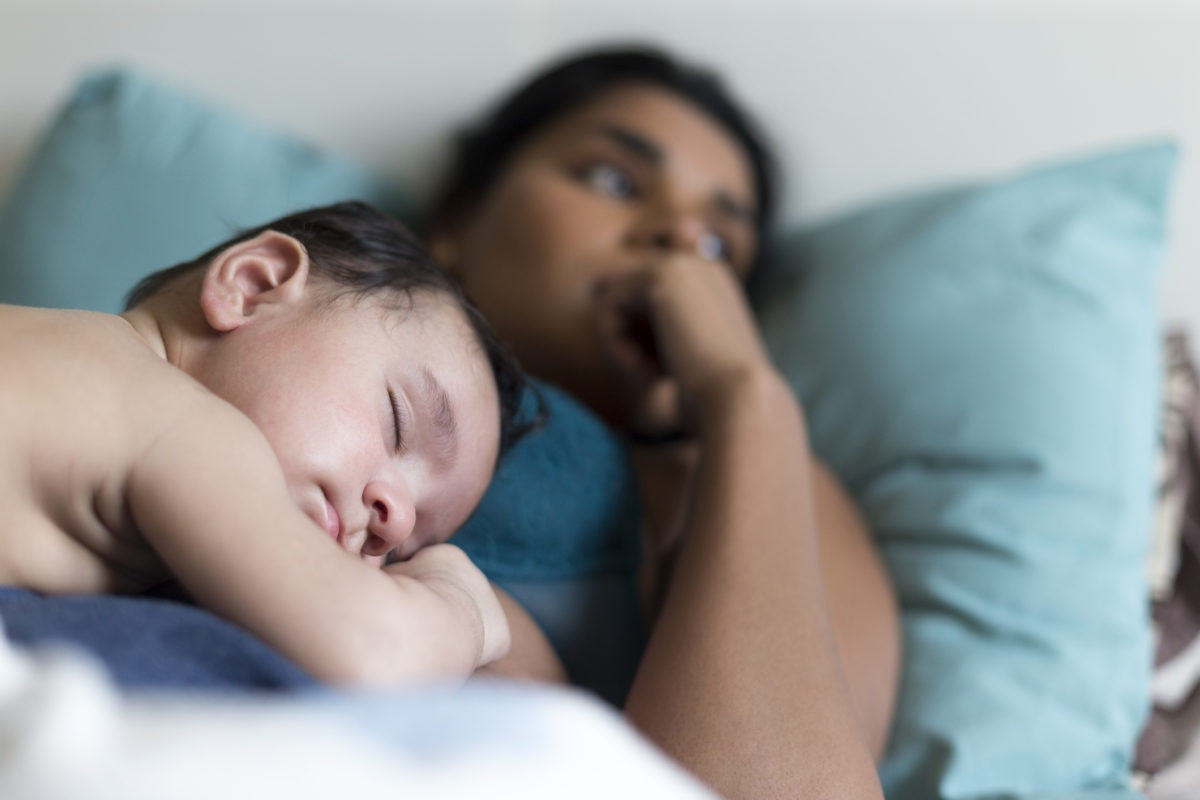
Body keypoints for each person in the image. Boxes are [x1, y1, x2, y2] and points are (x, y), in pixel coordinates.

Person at [424, 46, 901, 799]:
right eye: (615, 179)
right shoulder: (293, 326)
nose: (679, 238)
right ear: (457, 217)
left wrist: (746, 397)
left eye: (719, 245)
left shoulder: (767, 477)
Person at [0, 201, 529, 687]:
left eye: (404, 554)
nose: (396, 522)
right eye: (397, 421)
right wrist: (463, 606)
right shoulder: (188, 424)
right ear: (253, 286)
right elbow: (373, 649)